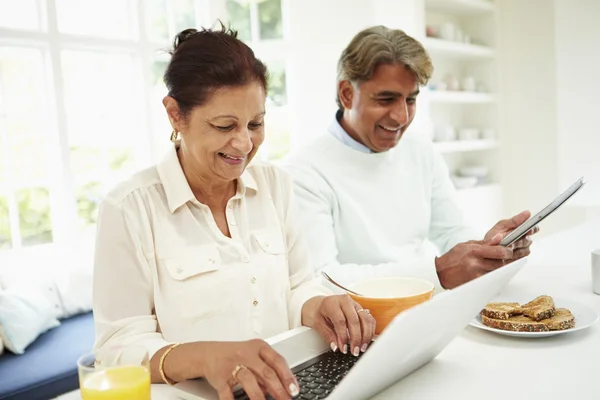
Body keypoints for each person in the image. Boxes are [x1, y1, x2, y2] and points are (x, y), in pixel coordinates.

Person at [92, 25, 375, 400]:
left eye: (255, 124)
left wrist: (318, 305)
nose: (244, 144)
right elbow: (116, 349)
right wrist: (205, 357)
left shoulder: (276, 185)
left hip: (285, 385)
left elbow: (297, 284)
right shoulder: (129, 208)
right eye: (225, 126)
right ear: (175, 115)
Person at [282, 25, 537, 291]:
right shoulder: (304, 172)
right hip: (361, 325)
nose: (402, 117)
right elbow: (324, 278)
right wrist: (437, 272)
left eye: (410, 100)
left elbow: (451, 232)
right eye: (386, 99)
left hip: (425, 304)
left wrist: (489, 248)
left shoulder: (420, 151)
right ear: (347, 94)